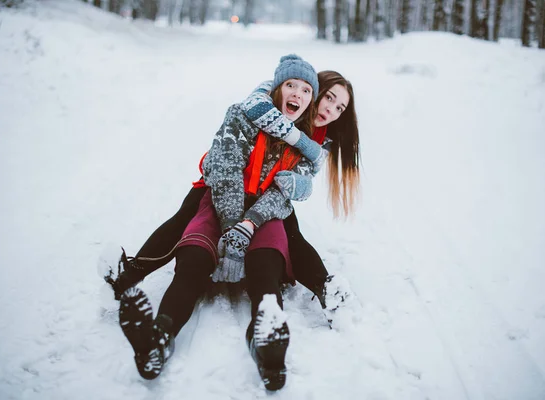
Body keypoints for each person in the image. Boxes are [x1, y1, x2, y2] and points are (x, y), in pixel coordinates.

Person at [116, 55, 327, 389]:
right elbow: (224, 166)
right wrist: (232, 225)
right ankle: (160, 337)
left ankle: (266, 346)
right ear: (277, 90)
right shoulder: (242, 115)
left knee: (267, 262)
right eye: (290, 85)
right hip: (219, 202)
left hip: (263, 212)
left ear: (310, 101)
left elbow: (282, 196)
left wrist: (251, 223)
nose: (297, 94)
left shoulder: (304, 145)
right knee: (194, 260)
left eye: (305, 90)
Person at [103, 70, 360, 323]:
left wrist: (299, 186)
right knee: (186, 216)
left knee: (291, 233)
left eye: (340, 108)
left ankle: (327, 290)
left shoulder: (321, 139)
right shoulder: (276, 101)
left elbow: (305, 178)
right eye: (329, 98)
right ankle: (130, 274)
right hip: (227, 178)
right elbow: (253, 108)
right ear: (315, 90)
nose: (331, 110)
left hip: (265, 191)